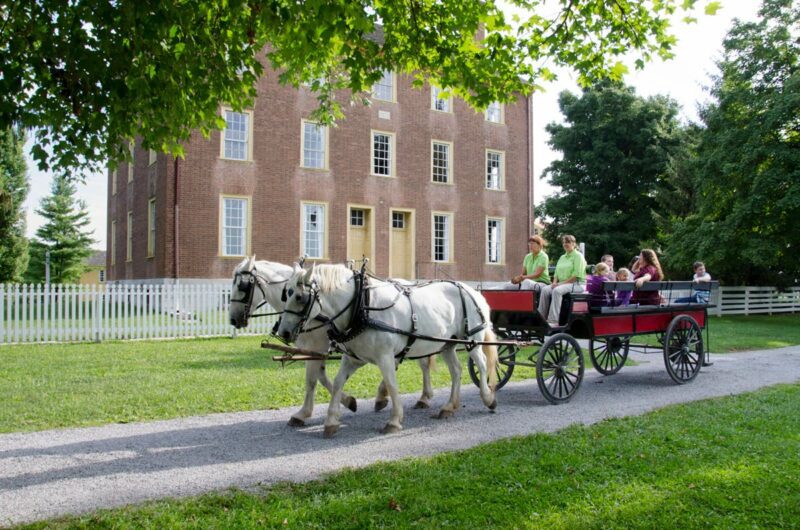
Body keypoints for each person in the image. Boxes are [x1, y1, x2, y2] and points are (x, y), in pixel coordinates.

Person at [500, 235, 552, 318]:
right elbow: (523, 273)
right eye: (529, 244)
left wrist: (523, 278)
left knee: (526, 282)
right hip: (528, 282)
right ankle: (506, 311)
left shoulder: (544, 256)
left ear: (539, 245)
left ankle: (521, 309)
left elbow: (537, 274)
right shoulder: (527, 257)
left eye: (532, 243)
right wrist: (518, 278)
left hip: (541, 283)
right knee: (507, 285)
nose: (530, 246)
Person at [548, 234, 587, 324]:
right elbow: (556, 272)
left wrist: (559, 284)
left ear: (574, 243)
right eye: (564, 242)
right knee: (545, 290)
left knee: (557, 291)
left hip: (577, 284)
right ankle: (541, 318)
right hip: (563, 284)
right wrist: (554, 282)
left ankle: (553, 320)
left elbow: (575, 276)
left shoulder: (578, 256)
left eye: (568, 242)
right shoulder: (562, 257)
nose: (565, 244)